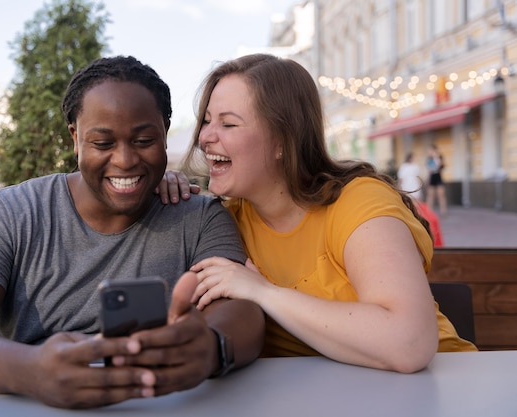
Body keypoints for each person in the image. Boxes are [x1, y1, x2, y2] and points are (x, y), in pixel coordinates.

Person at [0, 56, 264, 409]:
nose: (124, 160)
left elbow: (241, 312)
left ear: (165, 135)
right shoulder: (7, 212)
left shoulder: (200, 216)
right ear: (75, 137)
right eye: (103, 143)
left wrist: (210, 347)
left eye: (143, 140)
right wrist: (27, 370)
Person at [172, 53, 476, 374]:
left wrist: (263, 292)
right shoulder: (224, 220)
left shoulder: (357, 201)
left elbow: (409, 344)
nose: (205, 137)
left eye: (228, 123)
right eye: (206, 120)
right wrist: (160, 181)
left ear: (282, 141)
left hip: (441, 385)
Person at [397, 152, 444, 247]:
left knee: (414, 202)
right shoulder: (405, 166)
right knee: (412, 203)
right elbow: (402, 178)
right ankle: (414, 215)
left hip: (414, 186)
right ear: (410, 158)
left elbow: (418, 177)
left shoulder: (414, 166)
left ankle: (415, 215)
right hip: (408, 185)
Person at [425, 144, 448, 216]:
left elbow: (442, 167)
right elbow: (429, 169)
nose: (429, 152)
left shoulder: (439, 157)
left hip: (438, 176)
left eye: (431, 150)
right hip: (432, 176)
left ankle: (444, 211)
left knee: (441, 195)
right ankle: (429, 211)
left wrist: (436, 157)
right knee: (430, 195)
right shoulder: (429, 159)